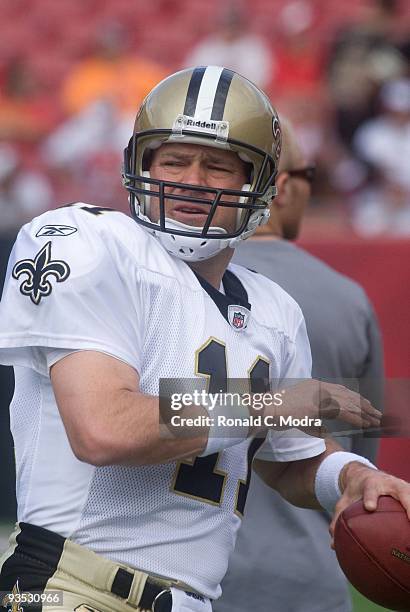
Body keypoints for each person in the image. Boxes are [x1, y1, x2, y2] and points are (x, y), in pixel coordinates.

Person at [0, 66, 406, 612]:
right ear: (140, 165)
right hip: (71, 589)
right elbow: (103, 429)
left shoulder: (274, 309)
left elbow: (288, 458)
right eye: (174, 160)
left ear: (260, 186)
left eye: (218, 166)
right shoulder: (90, 244)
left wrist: (352, 477)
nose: (192, 179)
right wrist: (270, 403)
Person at [215, 120, 384, 612]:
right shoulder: (346, 298)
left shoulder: (169, 283)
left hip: (186, 573)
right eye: (311, 174)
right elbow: (359, 452)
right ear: (282, 186)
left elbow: (158, 415)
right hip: (306, 576)